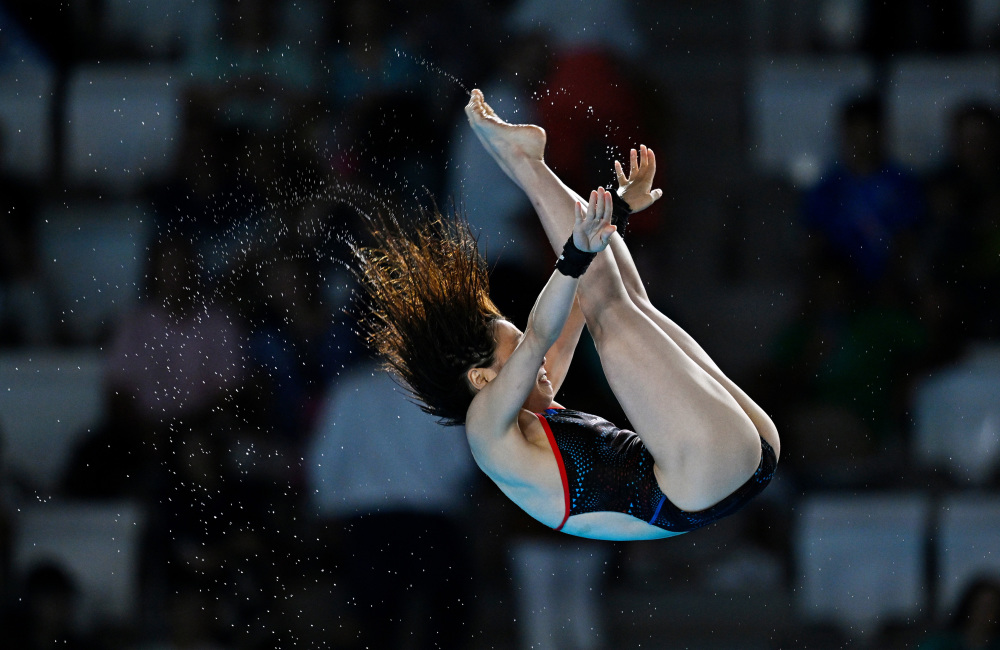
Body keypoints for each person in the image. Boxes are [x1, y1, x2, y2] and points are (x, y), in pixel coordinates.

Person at [352, 89, 779, 541]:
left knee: (620, 303)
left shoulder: (536, 400)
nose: (531, 358)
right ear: (481, 378)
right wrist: (576, 252)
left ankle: (526, 162)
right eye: (513, 351)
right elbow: (540, 330)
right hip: (702, 477)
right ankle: (522, 162)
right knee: (612, 319)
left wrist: (616, 210)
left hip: (733, 458)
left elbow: (584, 292)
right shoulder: (486, 433)